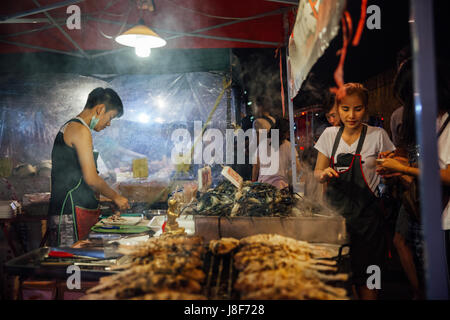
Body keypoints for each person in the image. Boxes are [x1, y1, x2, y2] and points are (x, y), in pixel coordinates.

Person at [314, 83, 395, 300]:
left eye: (358, 109)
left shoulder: (378, 135)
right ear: (338, 108)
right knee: (342, 281)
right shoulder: (329, 135)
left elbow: (395, 165)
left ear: (366, 108)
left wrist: (390, 168)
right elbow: (317, 171)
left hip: (370, 225)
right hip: (337, 224)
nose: (351, 115)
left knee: (371, 280)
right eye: (345, 109)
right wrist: (323, 174)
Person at [377, 59, 450, 285]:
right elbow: (431, 166)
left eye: (409, 98)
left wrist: (403, 168)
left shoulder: (447, 121)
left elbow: (447, 175)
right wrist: (398, 163)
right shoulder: (434, 121)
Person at [48, 88, 130, 247]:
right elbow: (91, 179)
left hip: (74, 209)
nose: (109, 123)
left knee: (78, 264)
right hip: (69, 212)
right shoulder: (79, 129)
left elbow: (78, 176)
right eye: (110, 117)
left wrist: (106, 198)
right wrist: (116, 197)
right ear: (100, 109)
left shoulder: (73, 127)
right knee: (70, 265)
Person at [253, 118, 301, 189]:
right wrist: (288, 175)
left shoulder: (263, 143)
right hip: (281, 187)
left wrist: (253, 181)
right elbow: (297, 168)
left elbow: (256, 166)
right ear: (285, 132)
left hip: (263, 186)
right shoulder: (289, 146)